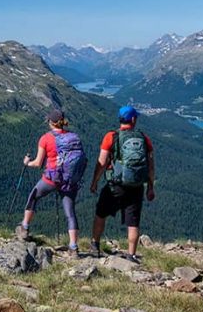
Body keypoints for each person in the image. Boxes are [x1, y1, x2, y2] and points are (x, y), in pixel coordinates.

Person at [89, 105, 155, 262]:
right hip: (136, 186)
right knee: (133, 222)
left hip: (115, 184)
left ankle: (95, 245)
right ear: (133, 119)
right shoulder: (144, 138)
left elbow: (102, 162)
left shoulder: (111, 137)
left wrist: (95, 181)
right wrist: (150, 187)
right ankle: (131, 255)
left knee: (101, 213)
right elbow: (151, 166)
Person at [16, 109, 86, 255]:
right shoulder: (73, 137)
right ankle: (73, 248)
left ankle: (24, 228)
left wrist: (26, 163)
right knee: (70, 213)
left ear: (50, 122)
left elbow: (38, 163)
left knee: (33, 197)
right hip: (69, 181)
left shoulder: (46, 138)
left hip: (51, 179)